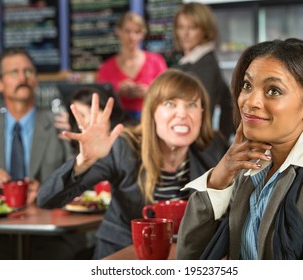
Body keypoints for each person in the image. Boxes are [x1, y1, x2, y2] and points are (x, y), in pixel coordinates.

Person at [176, 38, 303, 260]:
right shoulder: (248, 165)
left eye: (273, 90)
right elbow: (188, 259)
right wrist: (218, 178)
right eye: (247, 85)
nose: (250, 101)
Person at [37, 69, 229, 259]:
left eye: (192, 105)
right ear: (152, 111)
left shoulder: (213, 149)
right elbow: (47, 199)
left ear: (202, 112)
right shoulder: (124, 147)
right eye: (170, 104)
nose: (182, 114)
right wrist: (84, 161)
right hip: (124, 255)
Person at [0, 47, 85, 259]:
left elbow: (81, 183)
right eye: (14, 72)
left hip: (51, 235)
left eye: (28, 71)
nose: (23, 77)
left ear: (36, 80)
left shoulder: (61, 126)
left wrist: (47, 192)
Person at [172, 2, 234, 142]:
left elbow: (201, 112)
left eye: (192, 27)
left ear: (205, 30)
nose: (185, 34)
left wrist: (218, 142)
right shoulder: (197, 61)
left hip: (191, 142)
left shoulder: (204, 66)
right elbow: (228, 102)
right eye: (181, 27)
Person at [97, 11, 167, 120]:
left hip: (152, 120)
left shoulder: (156, 62)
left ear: (143, 34)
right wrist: (117, 93)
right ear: (118, 31)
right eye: (127, 31)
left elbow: (169, 94)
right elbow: (99, 101)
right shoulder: (106, 68)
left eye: (137, 32)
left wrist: (150, 92)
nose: (132, 36)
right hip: (117, 123)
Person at [67, 86, 137, 154]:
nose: (88, 120)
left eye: (94, 111)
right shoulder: (79, 146)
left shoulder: (129, 137)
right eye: (81, 115)